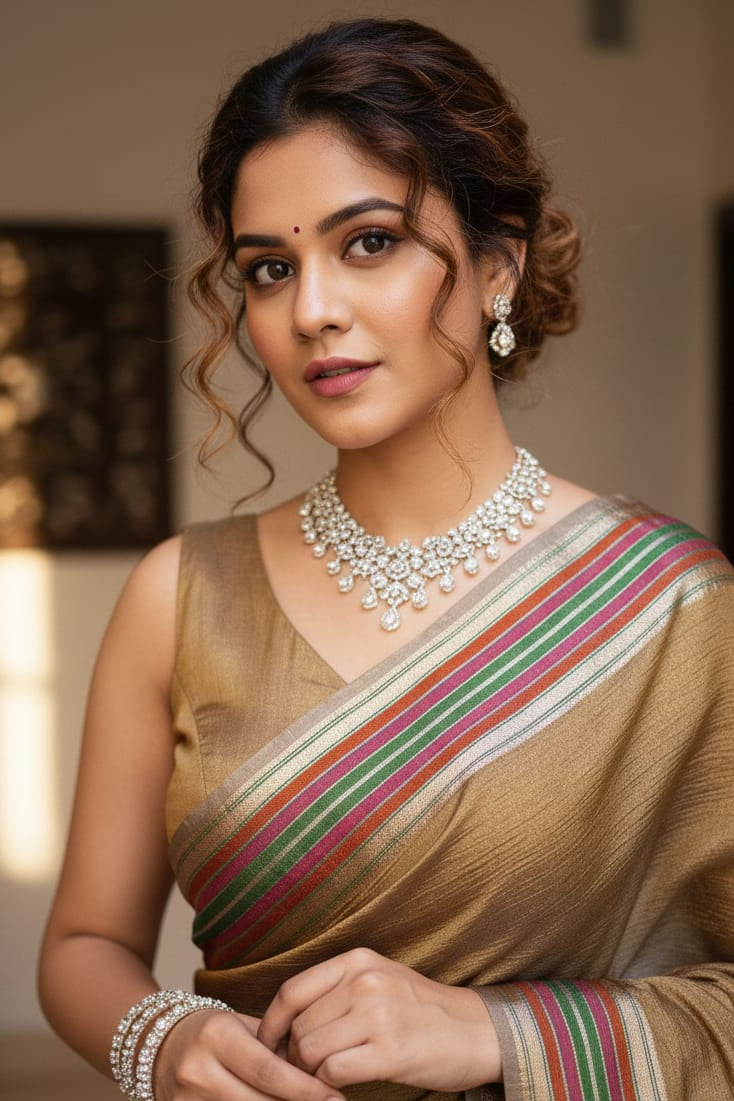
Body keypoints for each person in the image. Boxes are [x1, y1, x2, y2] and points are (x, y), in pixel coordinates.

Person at [38, 17, 734, 1101]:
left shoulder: (672, 607)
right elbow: (82, 945)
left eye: (368, 242)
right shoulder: (181, 595)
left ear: (497, 266)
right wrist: (163, 1041)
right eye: (270, 268)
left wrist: (498, 1034)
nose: (312, 311)